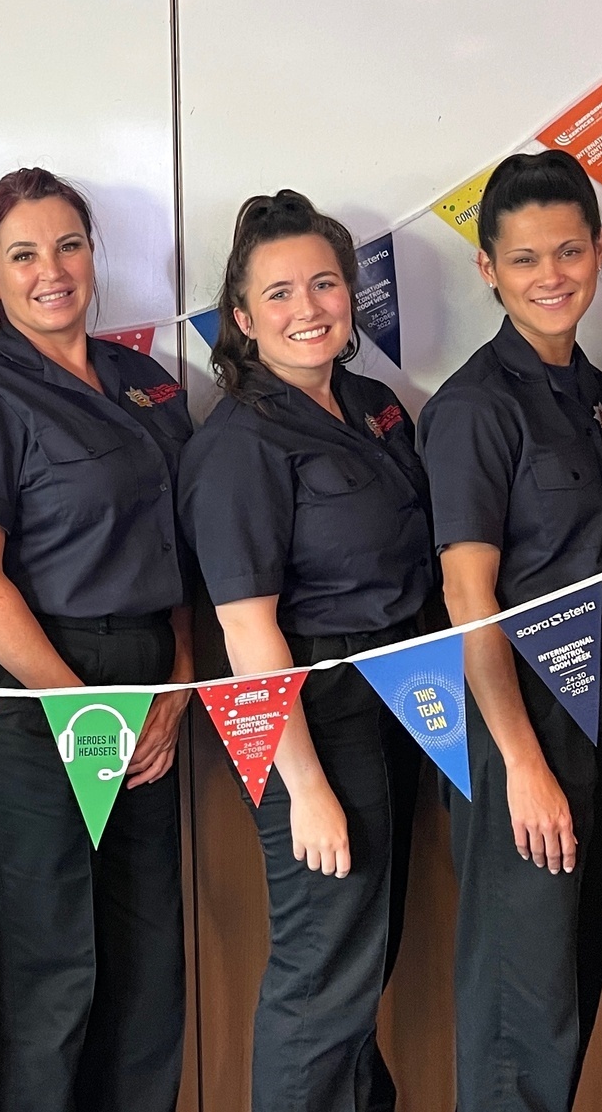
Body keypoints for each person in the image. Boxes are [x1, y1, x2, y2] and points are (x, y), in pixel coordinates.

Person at [0, 167, 192, 1112]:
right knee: (50, 970)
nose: (52, 271)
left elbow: (184, 556)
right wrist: (78, 699)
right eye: (23, 255)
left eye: (69, 245)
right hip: (31, 703)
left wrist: (174, 688)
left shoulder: (146, 382)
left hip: (150, 692)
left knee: (146, 958)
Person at [177, 190, 431, 1112]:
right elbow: (249, 632)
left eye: (324, 283)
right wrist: (306, 787)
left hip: (397, 688)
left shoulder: (370, 404)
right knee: (323, 966)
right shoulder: (240, 443)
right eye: (278, 294)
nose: (308, 307)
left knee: (362, 953)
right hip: (305, 710)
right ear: (241, 319)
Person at [417, 150, 602, 1112]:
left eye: (568, 250)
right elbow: (466, 595)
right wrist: (519, 759)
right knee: (522, 1001)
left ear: (599, 250)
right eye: (524, 259)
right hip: (518, 721)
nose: (551, 275)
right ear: (487, 270)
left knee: (573, 973)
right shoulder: (477, 407)